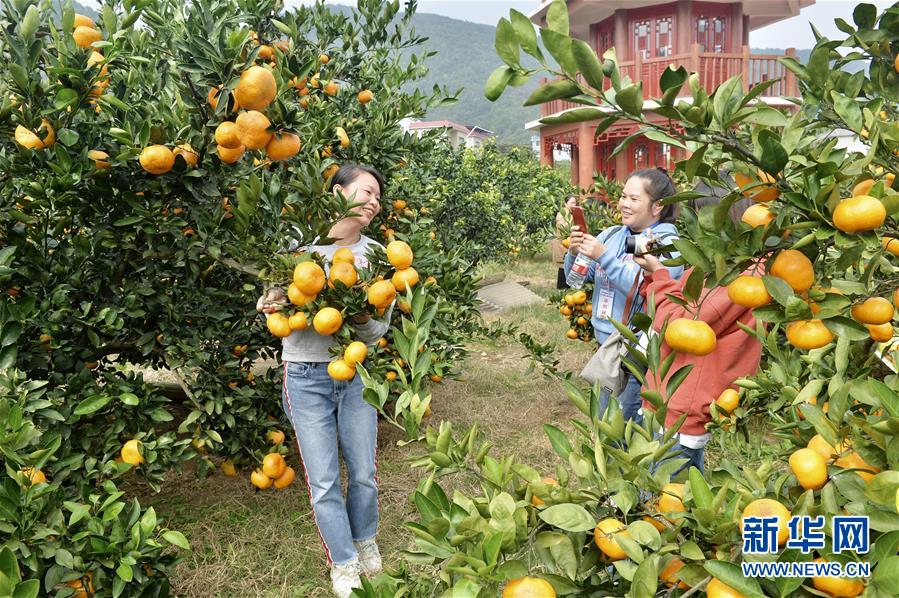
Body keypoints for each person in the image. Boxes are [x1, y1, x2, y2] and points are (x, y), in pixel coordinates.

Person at [256, 164, 392, 598]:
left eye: (378, 197)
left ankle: (364, 535)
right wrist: (271, 305)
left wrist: (362, 315)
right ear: (338, 193)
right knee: (324, 479)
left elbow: (377, 331)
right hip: (305, 376)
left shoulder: (376, 257)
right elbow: (278, 312)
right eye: (366, 192)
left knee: (365, 472)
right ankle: (344, 561)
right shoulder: (296, 246)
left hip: (353, 376)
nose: (374, 202)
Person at [635, 187, 761, 474]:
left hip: (683, 408)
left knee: (667, 504)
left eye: (697, 214)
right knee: (679, 490)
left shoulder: (742, 279)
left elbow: (680, 327)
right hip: (673, 397)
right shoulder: (712, 266)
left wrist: (659, 274)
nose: (690, 225)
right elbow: (673, 308)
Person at [565, 167, 684, 422]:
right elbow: (577, 279)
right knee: (605, 421)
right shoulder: (612, 235)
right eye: (623, 196)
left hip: (638, 353)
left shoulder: (665, 243)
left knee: (622, 426)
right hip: (607, 348)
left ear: (657, 206)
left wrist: (603, 256)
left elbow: (647, 289)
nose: (625, 204)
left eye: (634, 199)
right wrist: (575, 253)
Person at [550, 195, 579, 289]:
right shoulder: (561, 215)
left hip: (568, 245)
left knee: (567, 266)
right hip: (563, 246)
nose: (574, 205)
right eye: (572, 203)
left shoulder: (571, 214)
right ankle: (562, 288)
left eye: (575, 203)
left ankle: (567, 287)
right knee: (563, 266)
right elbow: (564, 228)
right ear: (565, 204)